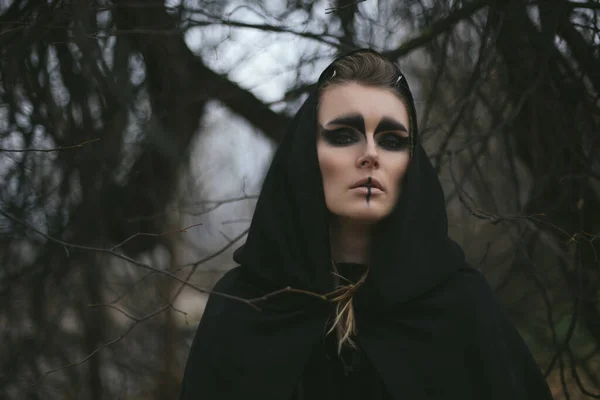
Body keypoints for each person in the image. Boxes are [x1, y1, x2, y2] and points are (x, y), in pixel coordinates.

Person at [179, 49, 554, 400]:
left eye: (392, 140)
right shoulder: (246, 307)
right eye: (343, 135)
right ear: (307, 154)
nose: (371, 155)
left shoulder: (460, 307)